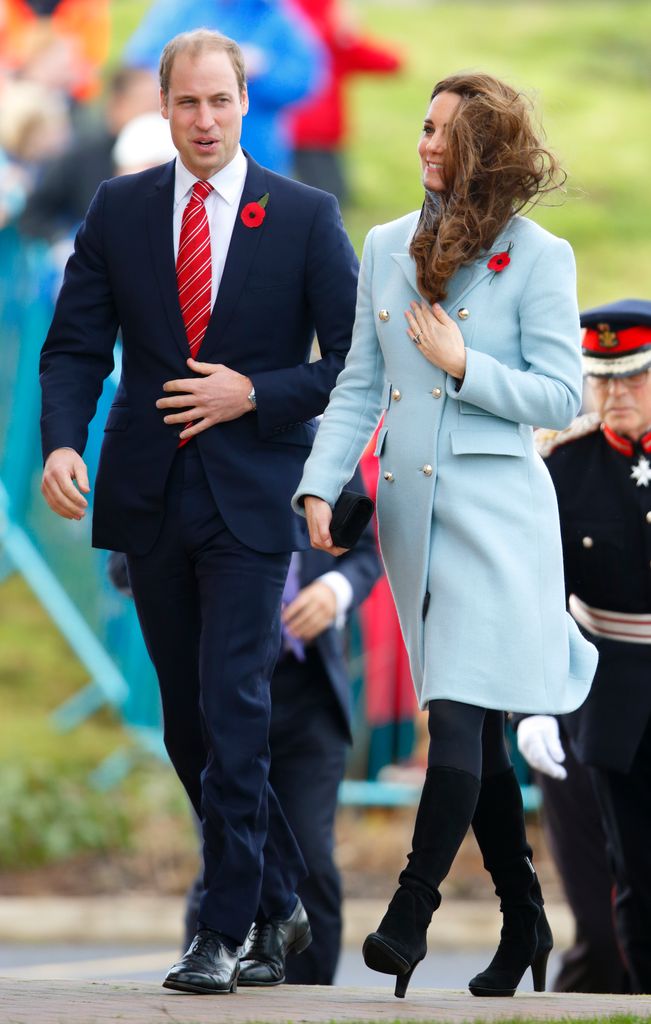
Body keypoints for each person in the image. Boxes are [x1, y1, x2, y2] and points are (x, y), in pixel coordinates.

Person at [39, 28, 358, 996]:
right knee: (188, 723)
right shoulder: (121, 206)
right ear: (162, 106)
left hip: (255, 499)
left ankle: (221, 928)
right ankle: (280, 898)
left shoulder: (303, 215)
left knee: (235, 703)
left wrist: (252, 393)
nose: (206, 119)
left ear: (245, 105)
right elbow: (76, 343)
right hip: (151, 496)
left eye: (221, 102)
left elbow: (351, 366)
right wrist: (61, 439)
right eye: (188, 103)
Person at [292, 71, 598, 999]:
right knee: (472, 726)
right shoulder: (384, 245)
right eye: (421, 126)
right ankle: (526, 921)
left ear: (486, 149)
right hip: (412, 527)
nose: (424, 142)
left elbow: (559, 393)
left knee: (457, 722)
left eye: (444, 131)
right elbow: (355, 384)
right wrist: (319, 483)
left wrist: (468, 366)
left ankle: (407, 916)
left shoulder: (540, 255)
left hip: (500, 526)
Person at [183, 464, 381, 984]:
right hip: (223, 688)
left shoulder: (319, 434)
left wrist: (335, 590)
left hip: (307, 691)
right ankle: (211, 976)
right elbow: (128, 562)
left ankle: (309, 1002)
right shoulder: (193, 439)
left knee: (311, 858)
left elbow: (367, 548)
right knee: (227, 846)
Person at [516, 298, 651, 994]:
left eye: (631, 377)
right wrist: (530, 705)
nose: (613, 395)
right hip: (603, 698)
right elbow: (531, 593)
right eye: (600, 379)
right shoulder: (562, 464)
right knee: (626, 889)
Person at [123, 0, 326, 175]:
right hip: (182, 155)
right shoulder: (177, 8)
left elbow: (307, 77)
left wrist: (264, 70)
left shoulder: (272, 13)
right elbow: (140, 65)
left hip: (256, 155)